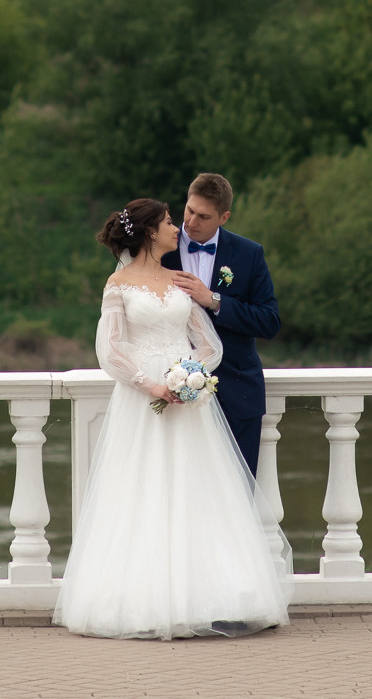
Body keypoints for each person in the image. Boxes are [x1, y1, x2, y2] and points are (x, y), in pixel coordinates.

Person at [52, 196, 292, 640]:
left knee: (198, 492)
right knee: (142, 493)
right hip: (143, 402)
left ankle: (215, 598)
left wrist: (190, 379)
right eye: (168, 221)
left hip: (189, 405)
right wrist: (152, 385)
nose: (177, 227)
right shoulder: (118, 285)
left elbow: (210, 345)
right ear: (149, 232)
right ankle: (145, 600)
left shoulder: (180, 281)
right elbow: (111, 350)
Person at [162, 172, 279, 476]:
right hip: (173, 394)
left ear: (224, 217)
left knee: (239, 492)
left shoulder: (249, 254)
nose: (191, 221)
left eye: (203, 216)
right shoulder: (159, 249)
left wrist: (213, 300)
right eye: (189, 210)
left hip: (237, 393)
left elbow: (269, 321)